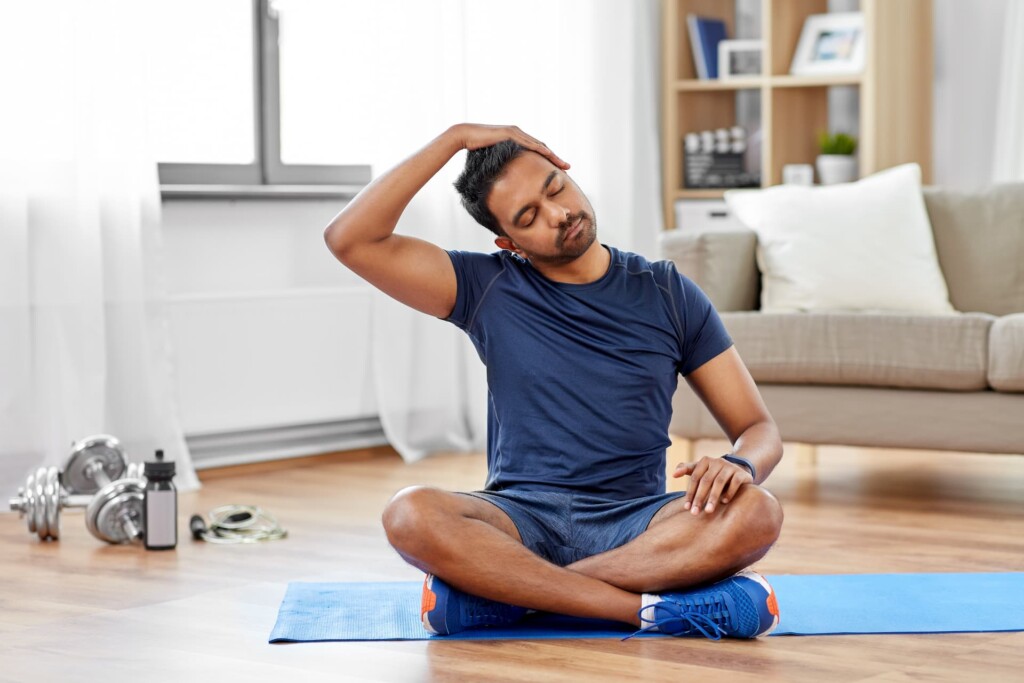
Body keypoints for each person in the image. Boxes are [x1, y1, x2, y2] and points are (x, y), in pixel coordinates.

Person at [324, 123, 784, 640]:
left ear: (566, 172)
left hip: (637, 523)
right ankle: (639, 609)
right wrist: (453, 138)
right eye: (529, 217)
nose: (558, 213)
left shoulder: (668, 292)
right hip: (519, 520)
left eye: (554, 189)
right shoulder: (485, 286)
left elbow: (758, 428)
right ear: (510, 242)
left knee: (757, 512)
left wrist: (737, 463)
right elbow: (349, 238)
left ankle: (511, 597)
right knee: (408, 513)